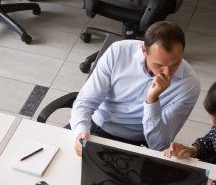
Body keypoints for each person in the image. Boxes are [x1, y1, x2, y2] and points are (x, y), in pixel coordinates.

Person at [70, 21, 201, 154]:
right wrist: (81, 132)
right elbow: (86, 101)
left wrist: (152, 101)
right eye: (159, 65)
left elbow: (159, 146)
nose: (167, 73)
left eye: (175, 64)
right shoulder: (118, 51)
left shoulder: (189, 85)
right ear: (144, 50)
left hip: (132, 143)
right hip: (92, 125)